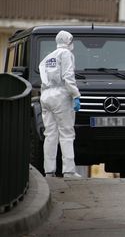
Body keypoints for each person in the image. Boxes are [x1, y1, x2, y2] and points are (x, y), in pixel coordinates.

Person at [39, 30, 81, 178]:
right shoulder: (66, 54)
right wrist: (76, 95)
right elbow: (68, 77)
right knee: (67, 133)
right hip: (61, 97)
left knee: (50, 134)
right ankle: (68, 171)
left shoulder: (48, 57)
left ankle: (49, 171)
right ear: (68, 41)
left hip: (46, 96)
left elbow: (43, 78)